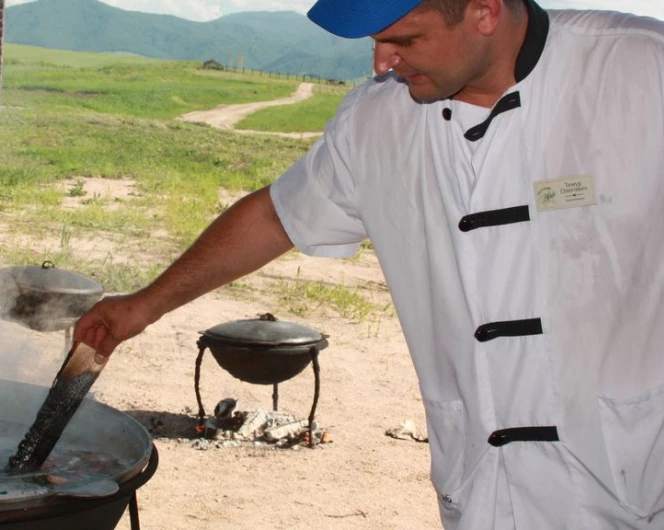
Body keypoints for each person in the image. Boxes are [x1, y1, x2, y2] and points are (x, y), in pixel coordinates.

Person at [74, 0, 664, 527]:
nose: (382, 63)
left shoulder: (639, 72)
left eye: (403, 39)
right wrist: (140, 306)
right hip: (484, 489)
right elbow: (277, 216)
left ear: (485, 11)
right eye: (374, 42)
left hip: (631, 484)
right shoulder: (377, 121)